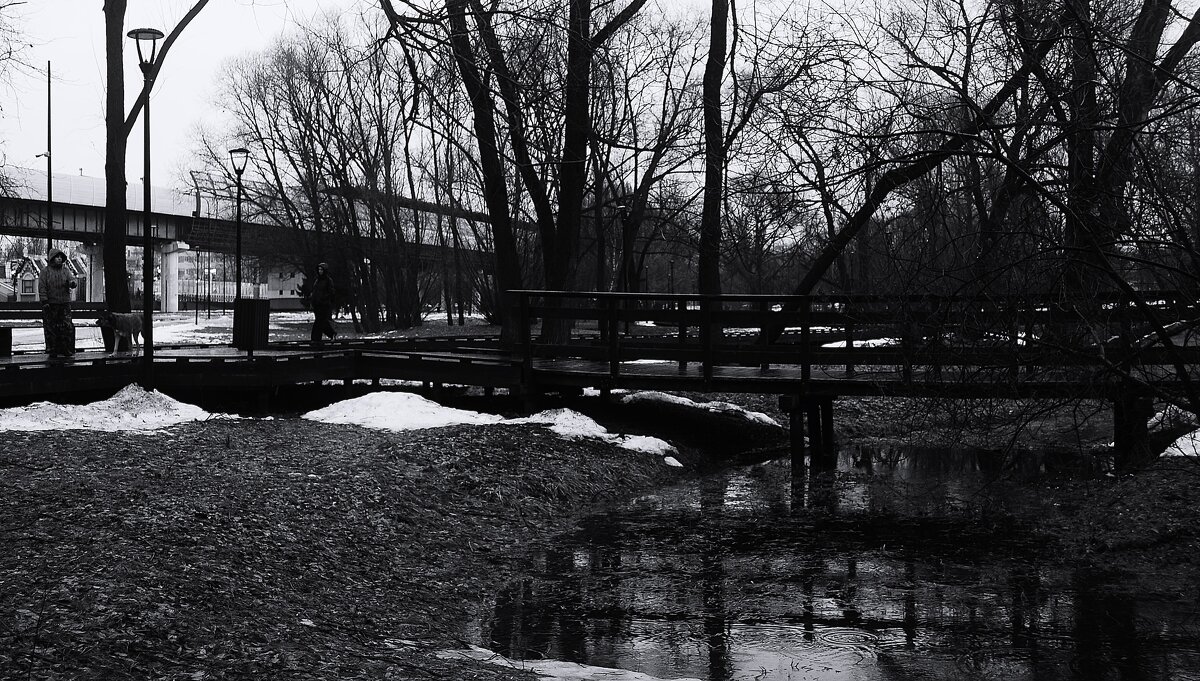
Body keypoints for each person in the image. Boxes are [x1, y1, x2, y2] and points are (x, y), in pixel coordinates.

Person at [38, 248, 78, 358]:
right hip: (51, 304)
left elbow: (72, 279)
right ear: (52, 258)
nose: (59, 259)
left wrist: (72, 283)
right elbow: (42, 287)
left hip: (64, 303)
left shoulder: (66, 270)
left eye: (61, 257)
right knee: (51, 327)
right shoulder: (45, 272)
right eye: (57, 257)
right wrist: (45, 301)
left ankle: (65, 348)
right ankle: (52, 348)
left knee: (66, 326)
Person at [306, 262, 337, 346]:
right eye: (319, 269)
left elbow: (331, 292)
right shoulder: (317, 280)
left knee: (319, 322)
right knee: (322, 322)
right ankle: (331, 334)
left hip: (324, 304)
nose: (320, 271)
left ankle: (315, 339)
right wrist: (312, 300)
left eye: (321, 270)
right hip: (317, 304)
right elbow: (315, 291)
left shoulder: (328, 280)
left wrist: (324, 298)